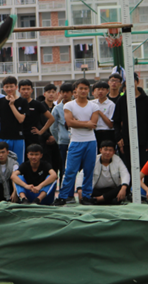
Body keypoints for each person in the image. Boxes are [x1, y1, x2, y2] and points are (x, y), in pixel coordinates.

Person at [55, 79, 101, 207]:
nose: (83, 91)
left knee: (89, 170)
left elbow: (93, 124)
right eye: (81, 88)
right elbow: (69, 123)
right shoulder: (69, 105)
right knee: (70, 171)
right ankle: (63, 196)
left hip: (91, 142)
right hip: (75, 142)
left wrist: (78, 122)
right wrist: (85, 123)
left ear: (89, 90)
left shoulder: (94, 106)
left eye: (86, 88)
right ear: (75, 90)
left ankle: (86, 196)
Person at [113, 72, 148, 175]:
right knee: (128, 167)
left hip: (144, 141)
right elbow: (116, 121)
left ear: (137, 82)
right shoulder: (122, 100)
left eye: (133, 81)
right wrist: (119, 138)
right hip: (127, 141)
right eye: (128, 81)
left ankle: (144, 189)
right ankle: (130, 189)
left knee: (144, 167)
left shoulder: (146, 100)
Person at [74, 140, 130, 205]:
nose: (107, 152)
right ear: (100, 150)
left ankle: (98, 200)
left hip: (112, 190)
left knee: (126, 188)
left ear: (114, 152)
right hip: (96, 190)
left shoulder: (117, 160)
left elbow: (125, 174)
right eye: (105, 150)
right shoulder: (94, 160)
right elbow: (81, 174)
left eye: (110, 150)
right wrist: (79, 189)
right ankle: (108, 200)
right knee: (86, 189)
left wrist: (123, 188)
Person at [0, 76, 26, 163]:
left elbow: (21, 119)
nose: (9, 89)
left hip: (18, 138)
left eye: (11, 86)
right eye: (7, 87)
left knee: (18, 163)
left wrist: (12, 105)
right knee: (3, 162)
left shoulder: (23, 101)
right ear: (3, 88)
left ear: (16, 87)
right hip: (3, 137)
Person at [15, 79, 54, 151]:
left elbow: (51, 118)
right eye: (23, 89)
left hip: (33, 137)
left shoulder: (37, 104)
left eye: (28, 89)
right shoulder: (15, 103)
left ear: (32, 90)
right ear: (19, 90)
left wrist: (41, 131)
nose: (26, 91)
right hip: (19, 137)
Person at [50, 83, 73, 187]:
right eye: (63, 92)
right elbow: (52, 127)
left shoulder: (76, 106)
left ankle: (75, 188)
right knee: (63, 166)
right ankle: (63, 188)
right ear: (60, 93)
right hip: (62, 142)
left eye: (68, 92)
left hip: (76, 141)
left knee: (75, 166)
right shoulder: (57, 108)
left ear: (72, 93)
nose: (65, 94)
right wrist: (58, 138)